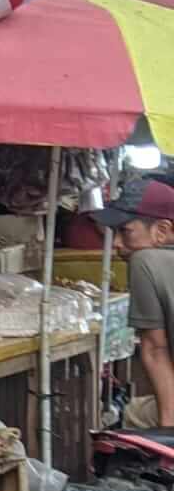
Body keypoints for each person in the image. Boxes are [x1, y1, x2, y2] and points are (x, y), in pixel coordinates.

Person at [88, 178, 174, 429]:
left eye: (125, 231)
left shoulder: (145, 261)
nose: (116, 243)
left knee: (133, 416)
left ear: (161, 230)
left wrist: (168, 429)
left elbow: (155, 349)